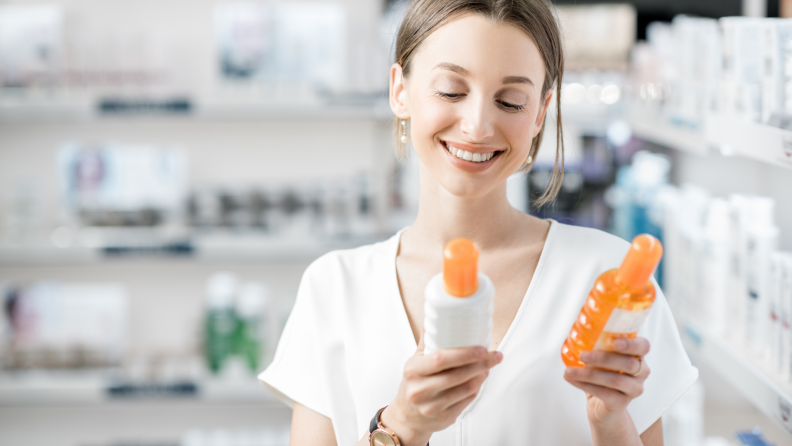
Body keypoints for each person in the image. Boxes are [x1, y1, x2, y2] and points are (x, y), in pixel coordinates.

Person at [260, 1, 697, 445]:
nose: (477, 125)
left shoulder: (611, 277)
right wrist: (401, 428)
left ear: (541, 112)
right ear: (400, 91)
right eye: (451, 91)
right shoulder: (334, 289)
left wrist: (612, 423)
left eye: (510, 101)